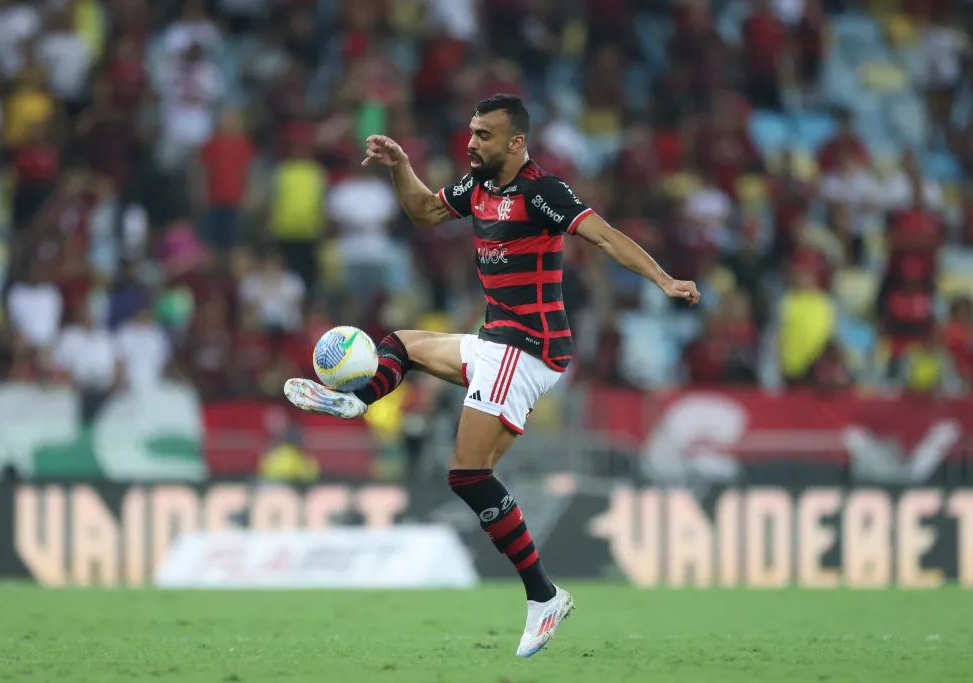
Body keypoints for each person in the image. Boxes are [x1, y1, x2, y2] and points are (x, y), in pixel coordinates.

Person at [283, 94, 699, 657]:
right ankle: (360, 401)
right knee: (400, 345)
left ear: (516, 142)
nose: (472, 142)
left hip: (526, 347)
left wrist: (665, 280)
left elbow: (605, 236)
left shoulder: (542, 191)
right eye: (472, 131)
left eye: (484, 134)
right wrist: (401, 165)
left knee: (467, 474)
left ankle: (544, 597)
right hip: (496, 341)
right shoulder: (477, 185)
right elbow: (425, 212)